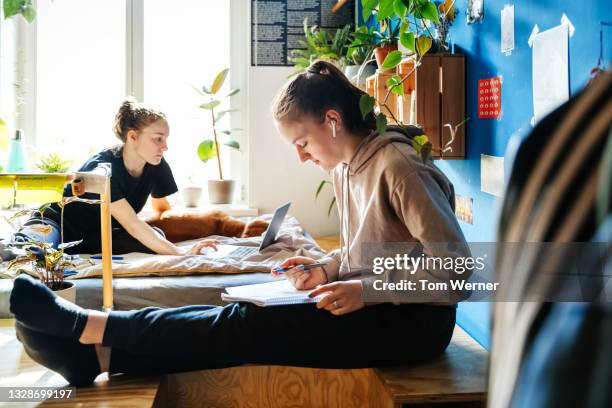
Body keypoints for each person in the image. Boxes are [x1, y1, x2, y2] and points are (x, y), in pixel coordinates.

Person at [9, 61, 470, 386]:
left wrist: (365, 290)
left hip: (414, 324)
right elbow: (368, 252)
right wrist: (328, 269)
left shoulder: (397, 166)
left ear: (332, 121)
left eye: (303, 141)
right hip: (378, 307)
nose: (301, 155)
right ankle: (98, 355)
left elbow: (459, 272)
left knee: (245, 325)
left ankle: (96, 328)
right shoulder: (349, 169)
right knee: (241, 322)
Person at [0, 98, 218, 259]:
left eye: (166, 139)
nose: (165, 146)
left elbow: (161, 208)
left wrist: (181, 236)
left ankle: (64, 251)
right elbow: (132, 224)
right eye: (158, 139)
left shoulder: (156, 164)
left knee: (156, 235)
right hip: (54, 223)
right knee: (31, 251)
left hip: (92, 236)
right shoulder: (103, 167)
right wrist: (182, 253)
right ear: (132, 136)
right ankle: (14, 243)